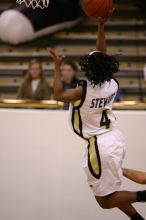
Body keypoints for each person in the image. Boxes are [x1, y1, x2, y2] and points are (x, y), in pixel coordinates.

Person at [48, 10, 146, 220]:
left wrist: (56, 67)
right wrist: (101, 27)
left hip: (100, 144)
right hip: (114, 138)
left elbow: (58, 94)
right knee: (113, 189)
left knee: (105, 201)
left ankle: (143, 195)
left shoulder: (83, 90)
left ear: (90, 70)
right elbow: (101, 53)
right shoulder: (111, 83)